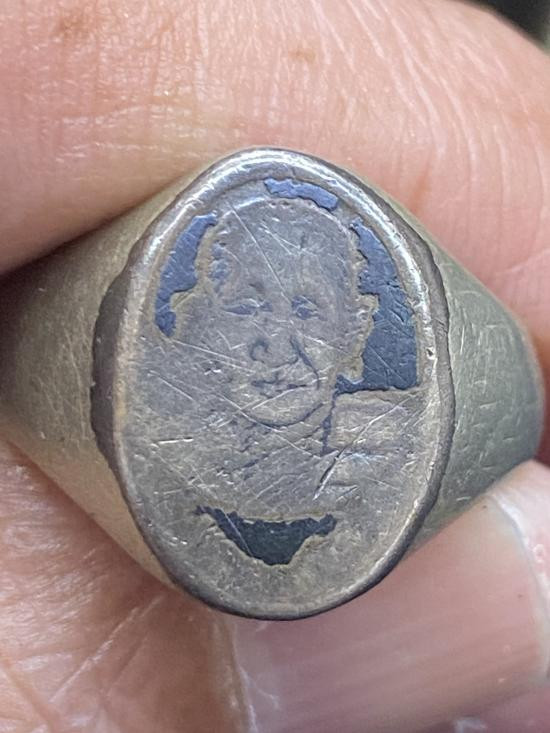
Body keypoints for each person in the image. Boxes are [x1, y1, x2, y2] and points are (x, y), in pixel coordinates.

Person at [0, 1, 549, 731]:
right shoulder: (171, 447)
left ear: (356, 336)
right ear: (195, 318)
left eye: (309, 312)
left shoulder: (377, 451)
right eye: (246, 307)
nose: (277, 344)